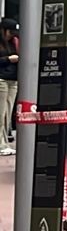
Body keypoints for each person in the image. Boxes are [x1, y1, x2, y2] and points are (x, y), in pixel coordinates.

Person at [0, 17, 19, 157]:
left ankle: (4, 142)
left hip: (13, 80)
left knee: (7, 113)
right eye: (10, 32)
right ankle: (1, 144)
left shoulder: (15, 42)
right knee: (1, 113)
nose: (12, 35)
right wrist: (8, 59)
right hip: (1, 79)